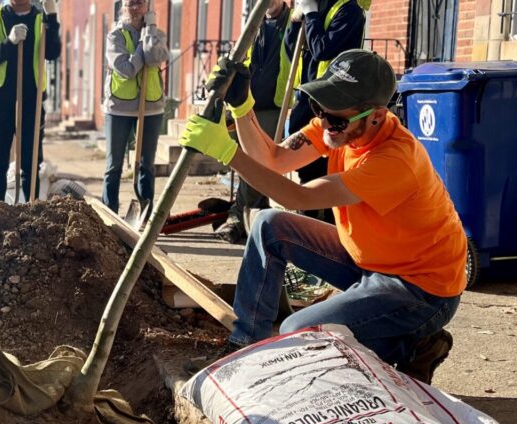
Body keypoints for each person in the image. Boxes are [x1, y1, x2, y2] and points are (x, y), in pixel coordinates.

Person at [179, 50, 466, 383]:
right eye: (320, 110)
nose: (325, 122)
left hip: (421, 289)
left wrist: (226, 153)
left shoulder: (394, 161)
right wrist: (242, 107)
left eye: (337, 119)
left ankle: (412, 345)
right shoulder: (339, 123)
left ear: (375, 116)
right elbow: (274, 159)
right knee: (269, 226)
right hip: (370, 260)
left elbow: (298, 196)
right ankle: (245, 345)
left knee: (299, 333)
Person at [217, 0, 295, 244]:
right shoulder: (254, 24)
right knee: (247, 164)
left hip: (277, 104)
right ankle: (242, 214)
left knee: (258, 163)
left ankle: (238, 218)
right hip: (249, 102)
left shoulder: (294, 21)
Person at [283, 0, 365, 215]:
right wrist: (295, 23)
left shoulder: (349, 11)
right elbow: (293, 52)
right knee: (303, 163)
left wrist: (311, 15)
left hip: (333, 103)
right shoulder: (316, 10)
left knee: (327, 168)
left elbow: (322, 49)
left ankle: (326, 222)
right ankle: (306, 215)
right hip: (307, 96)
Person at [0, 0, 62, 207]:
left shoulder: (40, 19)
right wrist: (8, 42)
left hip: (31, 101)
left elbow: (52, 53)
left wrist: (51, 17)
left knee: (30, 162)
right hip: (0, 102)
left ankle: (31, 209)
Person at [100, 0, 168, 214]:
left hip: (151, 107)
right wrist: (142, 47)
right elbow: (126, 69)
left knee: (146, 165)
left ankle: (145, 213)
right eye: (131, 4)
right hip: (119, 107)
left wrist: (149, 31)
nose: (135, 8)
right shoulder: (116, 36)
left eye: (140, 3)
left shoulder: (156, 32)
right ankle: (109, 212)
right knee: (114, 166)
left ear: (147, 7)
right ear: (124, 7)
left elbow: (156, 57)